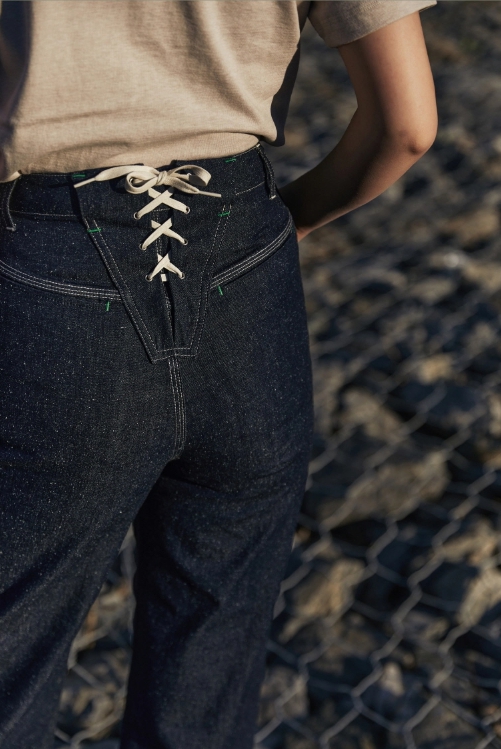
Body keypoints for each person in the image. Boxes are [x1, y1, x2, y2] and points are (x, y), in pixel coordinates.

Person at [0, 2, 437, 748]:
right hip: (244, 262)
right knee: (209, 672)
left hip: (48, 261)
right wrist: (282, 229)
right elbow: (407, 126)